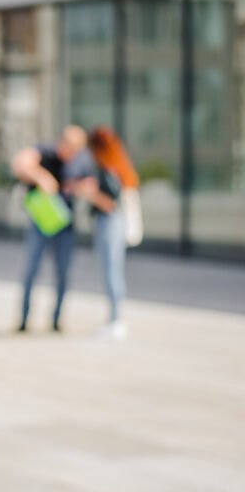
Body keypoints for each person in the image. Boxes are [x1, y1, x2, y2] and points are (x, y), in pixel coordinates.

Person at [11, 125, 95, 332]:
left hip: (64, 225)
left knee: (63, 272)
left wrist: (77, 187)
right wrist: (42, 177)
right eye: (69, 147)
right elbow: (20, 163)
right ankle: (24, 318)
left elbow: (91, 185)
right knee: (31, 270)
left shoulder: (82, 161)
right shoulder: (45, 151)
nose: (71, 153)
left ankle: (57, 319)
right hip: (40, 222)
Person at [84, 125, 141, 339]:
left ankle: (116, 320)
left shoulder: (107, 170)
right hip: (114, 223)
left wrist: (90, 193)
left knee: (111, 271)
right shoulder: (118, 165)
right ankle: (115, 318)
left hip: (109, 223)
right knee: (113, 270)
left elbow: (111, 204)